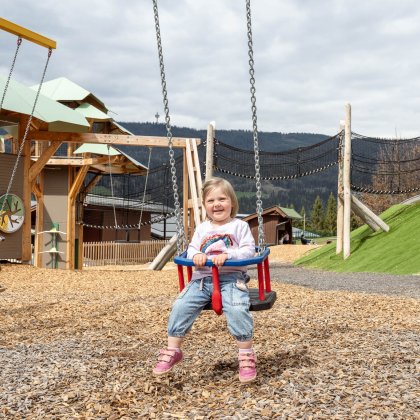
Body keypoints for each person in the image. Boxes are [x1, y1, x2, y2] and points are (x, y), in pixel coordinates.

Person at [153, 177, 257, 383]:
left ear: (232, 203)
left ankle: (246, 354)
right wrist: (196, 257)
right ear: (205, 206)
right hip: (201, 280)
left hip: (231, 278)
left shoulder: (240, 226)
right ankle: (173, 349)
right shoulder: (202, 229)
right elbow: (192, 249)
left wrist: (228, 255)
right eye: (211, 201)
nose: (217, 204)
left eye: (222, 199)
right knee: (180, 305)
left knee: (237, 308)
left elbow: (248, 250)